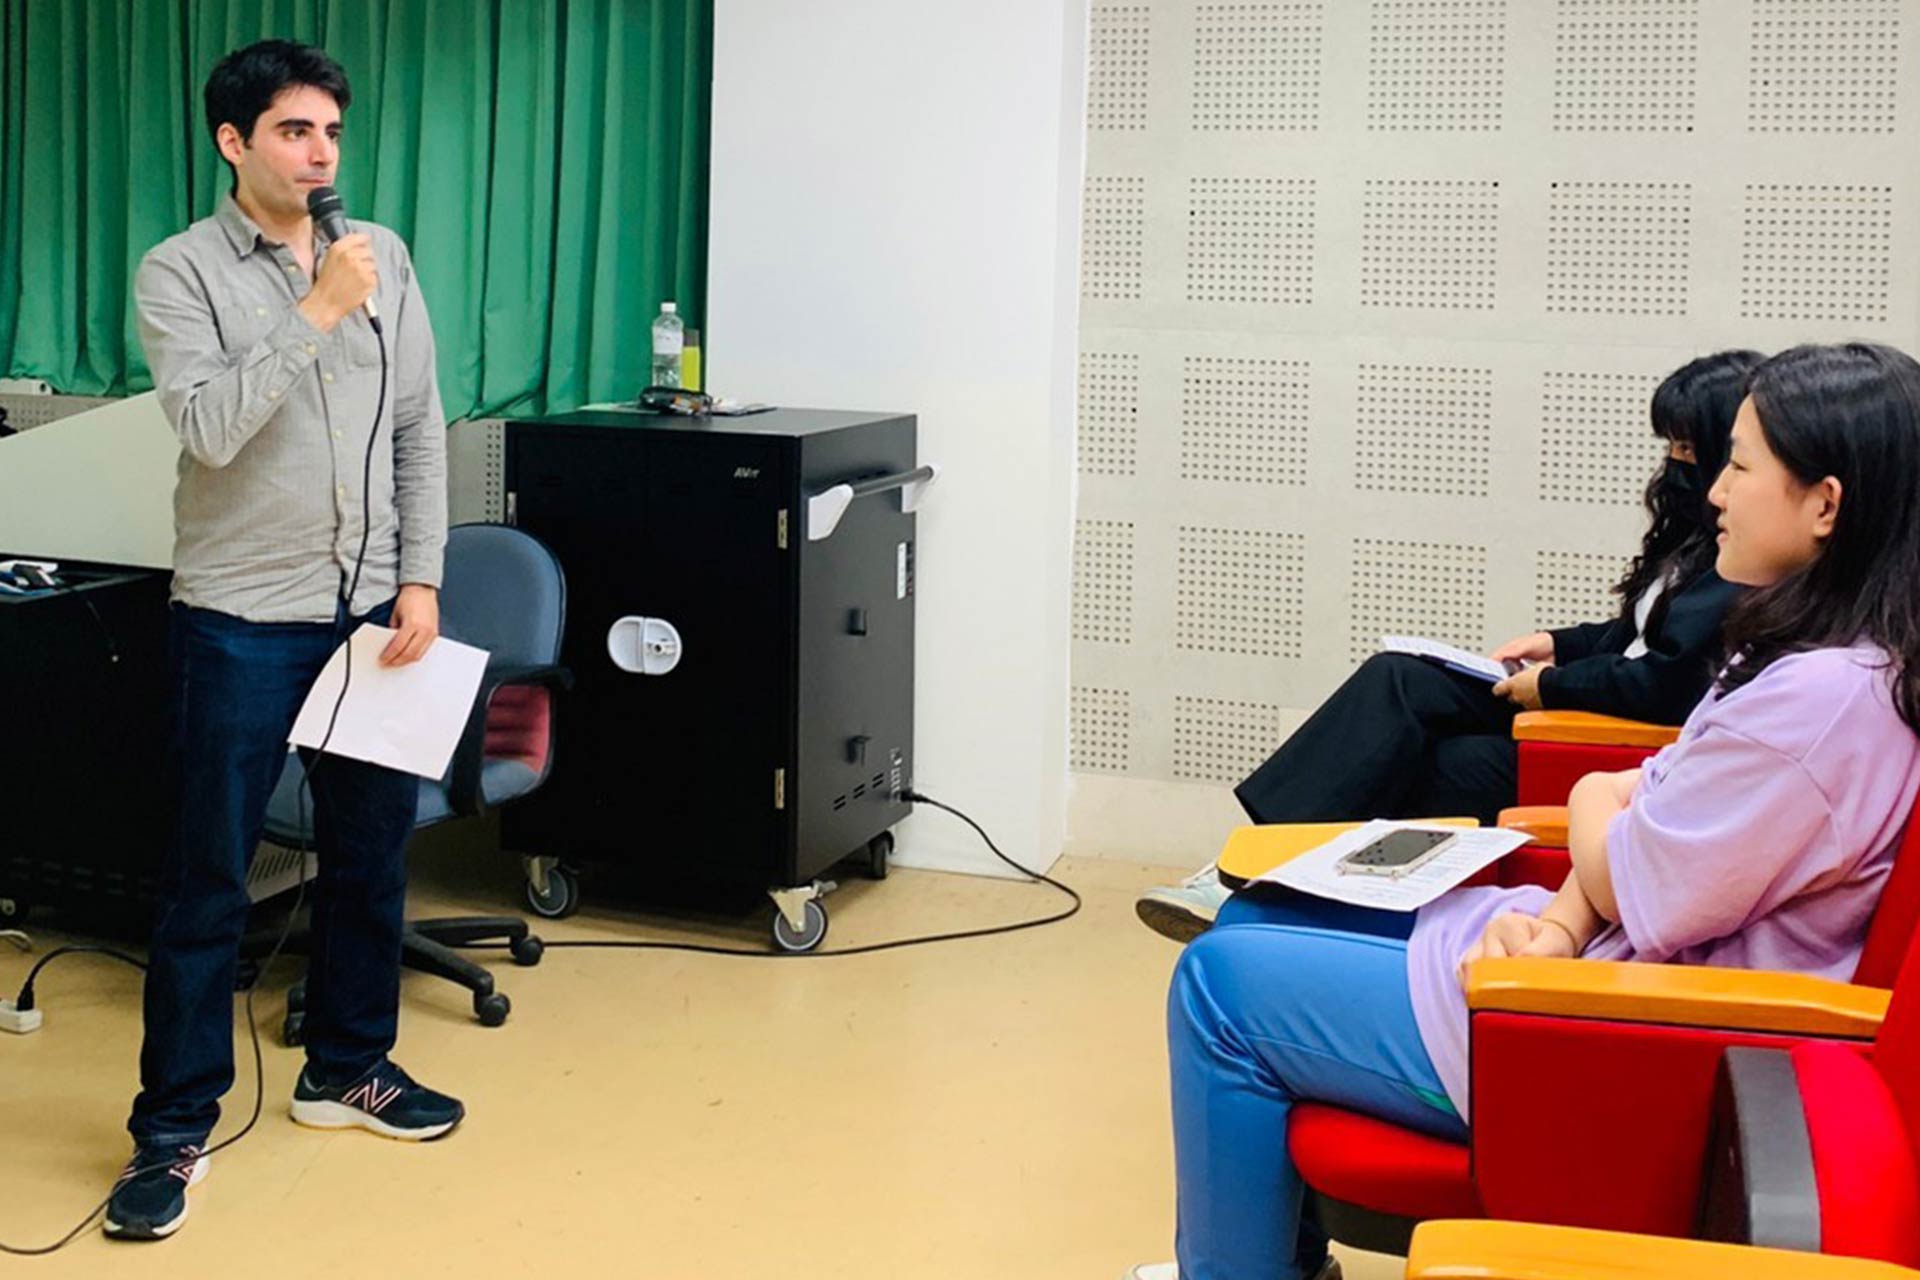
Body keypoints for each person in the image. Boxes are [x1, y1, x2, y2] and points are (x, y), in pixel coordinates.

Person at [1128, 342, 1920, 1280]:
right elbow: (1647, 813)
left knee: (1219, 983)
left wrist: (1591, 804)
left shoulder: (1820, 702)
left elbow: (1634, 861)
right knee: (1261, 911)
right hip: (1593, 968)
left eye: (1739, 467)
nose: (1712, 492)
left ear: (1825, 504)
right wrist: (1561, 908)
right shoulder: (1826, 660)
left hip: (1619, 1034)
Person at [109, 40, 457, 1241]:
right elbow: (209, 427)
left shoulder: (388, 260)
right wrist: (313, 310)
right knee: (211, 878)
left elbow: (419, 423)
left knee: (370, 856)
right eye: (295, 132)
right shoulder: (179, 271)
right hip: (241, 618)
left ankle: (347, 1066)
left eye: (331, 135)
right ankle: (172, 1129)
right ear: (233, 142)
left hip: (371, 613)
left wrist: (421, 576)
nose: (320, 155)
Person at [1136, 350, 1763, 942]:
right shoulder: (1695, 542)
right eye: (1670, 445)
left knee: (1427, 762)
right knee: (1400, 678)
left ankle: (1255, 884)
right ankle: (1254, 867)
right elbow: (1631, 639)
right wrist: (1556, 644)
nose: (1677, 466)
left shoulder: (1745, 563)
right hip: (1582, 704)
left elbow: (1665, 684)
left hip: (1595, 738)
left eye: (1690, 448)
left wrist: (1548, 685)